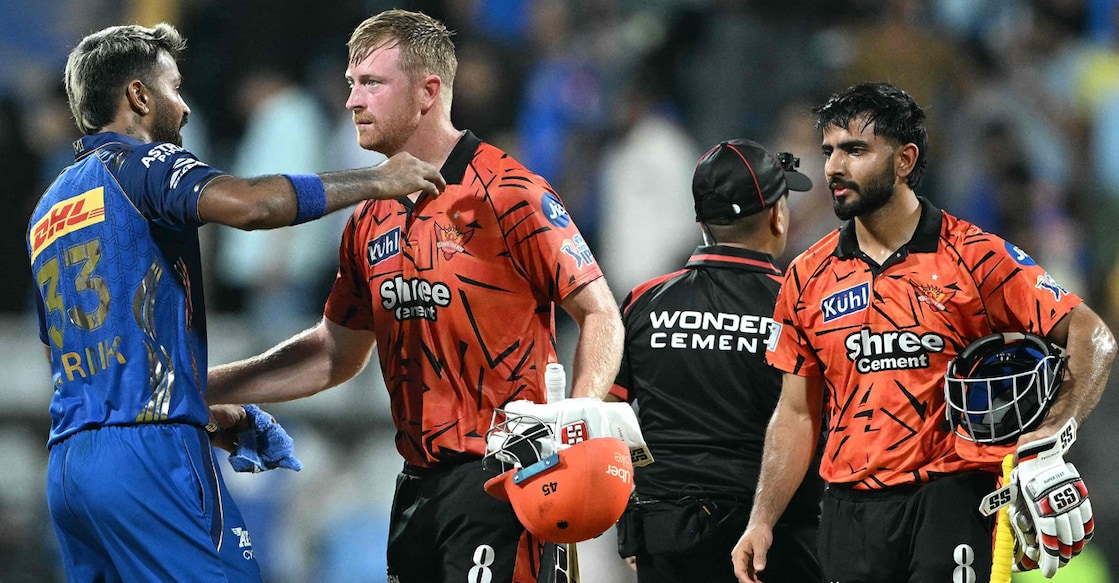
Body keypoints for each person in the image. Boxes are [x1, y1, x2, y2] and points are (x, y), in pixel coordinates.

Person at [205, 9, 624, 583]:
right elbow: (335, 353)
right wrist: (204, 385)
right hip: (417, 490)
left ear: (428, 92)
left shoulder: (509, 193)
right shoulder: (368, 217)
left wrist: (575, 421)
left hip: (505, 477)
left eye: (372, 83)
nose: (353, 100)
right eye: (352, 84)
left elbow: (601, 312)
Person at [27, 23, 444, 582]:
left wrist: (206, 415)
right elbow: (248, 206)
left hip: (69, 467)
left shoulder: (49, 208)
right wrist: (376, 180)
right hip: (147, 455)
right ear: (138, 96)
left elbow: (83, 361)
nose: (185, 108)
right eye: (174, 87)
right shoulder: (141, 165)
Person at [731, 82, 1117, 583]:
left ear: (905, 159)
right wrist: (762, 519)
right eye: (829, 152)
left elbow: (1093, 336)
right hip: (849, 513)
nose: (833, 168)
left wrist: (1050, 435)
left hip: (953, 498)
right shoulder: (806, 275)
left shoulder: (977, 256)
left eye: (855, 150)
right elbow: (797, 411)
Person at [607, 139, 823, 583]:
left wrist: (631, 525)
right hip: (771, 539)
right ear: (777, 216)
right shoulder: (799, 305)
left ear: (702, 220)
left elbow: (611, 421)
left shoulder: (643, 303)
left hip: (665, 537)